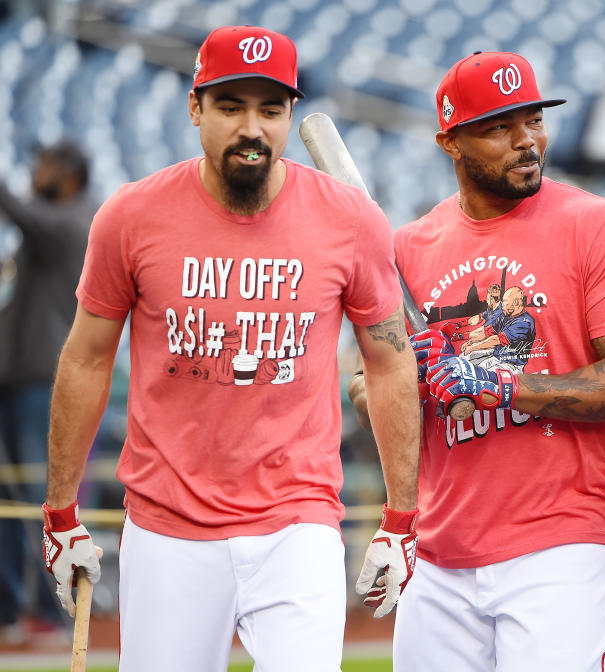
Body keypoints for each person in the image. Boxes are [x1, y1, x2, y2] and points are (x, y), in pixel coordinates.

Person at [39, 26, 420, 671]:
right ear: (195, 109)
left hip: (298, 522)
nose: (253, 128)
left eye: (271, 110)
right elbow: (85, 358)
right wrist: (60, 514)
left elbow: (390, 360)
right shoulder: (130, 217)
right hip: (167, 526)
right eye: (231, 106)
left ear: (290, 114)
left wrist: (401, 519)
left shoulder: (349, 218)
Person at [352, 51, 605, 670]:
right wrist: (405, 383)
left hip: (562, 539)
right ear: (450, 141)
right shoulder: (406, 249)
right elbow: (368, 390)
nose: (527, 141)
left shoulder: (598, 225)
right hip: (439, 548)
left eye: (533, 120)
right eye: (500, 127)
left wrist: (497, 383)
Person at [0, 139, 96, 646]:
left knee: (45, 495)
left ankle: (54, 615)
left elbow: (22, 214)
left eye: (45, 164)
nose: (36, 171)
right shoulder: (55, 221)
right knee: (13, 497)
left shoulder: (72, 222)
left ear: (70, 173)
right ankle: (16, 609)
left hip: (45, 381)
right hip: (19, 377)